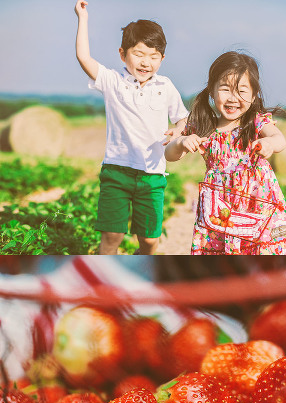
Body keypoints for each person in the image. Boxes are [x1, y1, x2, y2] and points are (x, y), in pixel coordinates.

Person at [74, 1, 189, 255]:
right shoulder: (113, 81)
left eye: (153, 56)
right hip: (117, 171)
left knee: (149, 242)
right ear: (122, 53)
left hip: (152, 176)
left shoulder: (166, 86)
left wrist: (178, 131)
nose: (146, 62)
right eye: (138, 54)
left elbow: (183, 119)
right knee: (112, 236)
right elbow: (83, 57)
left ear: (162, 58)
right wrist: (83, 17)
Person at [164, 51, 286, 255]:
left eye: (242, 91)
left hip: (257, 202)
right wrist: (182, 142)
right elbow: (169, 154)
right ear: (212, 90)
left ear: (254, 95)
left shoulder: (256, 122)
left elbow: (280, 139)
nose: (233, 98)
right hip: (220, 207)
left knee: (264, 247)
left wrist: (269, 144)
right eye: (225, 89)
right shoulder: (204, 126)